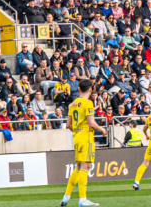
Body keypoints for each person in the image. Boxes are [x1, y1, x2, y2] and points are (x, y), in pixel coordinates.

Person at [60, 79, 104, 207]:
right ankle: (82, 199)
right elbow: (91, 123)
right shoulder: (88, 103)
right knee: (86, 166)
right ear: (90, 90)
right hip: (86, 138)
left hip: (76, 137)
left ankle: (66, 196)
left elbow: (68, 124)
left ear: (79, 89)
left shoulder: (73, 104)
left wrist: (77, 130)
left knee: (79, 167)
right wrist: (101, 129)